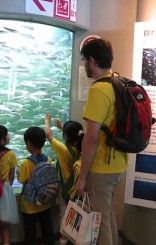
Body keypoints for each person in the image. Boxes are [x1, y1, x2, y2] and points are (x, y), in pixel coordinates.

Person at [76, 38, 128, 245]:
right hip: (119, 164)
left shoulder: (98, 89)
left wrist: (81, 177)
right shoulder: (118, 81)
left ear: (91, 60)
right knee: (107, 215)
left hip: (102, 168)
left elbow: (91, 138)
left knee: (100, 220)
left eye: (84, 61)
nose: (84, 65)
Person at [44, 115, 84, 245]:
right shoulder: (81, 146)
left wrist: (47, 121)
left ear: (66, 136)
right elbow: (72, 137)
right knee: (76, 213)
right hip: (77, 186)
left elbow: (48, 135)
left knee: (64, 213)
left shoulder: (62, 149)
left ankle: (63, 240)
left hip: (65, 188)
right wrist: (62, 128)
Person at [17, 126, 55, 245]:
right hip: (45, 201)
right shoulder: (47, 158)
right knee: (47, 227)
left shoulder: (25, 162)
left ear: (28, 143)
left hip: (29, 204)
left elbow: (21, 179)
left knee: (30, 231)